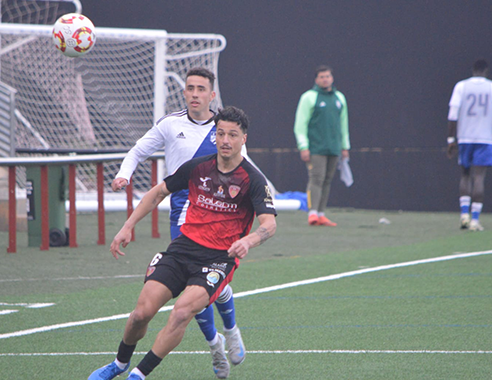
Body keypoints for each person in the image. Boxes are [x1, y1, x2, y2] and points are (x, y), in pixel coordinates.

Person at [89, 106, 277, 380]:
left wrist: (249, 240)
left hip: (218, 258)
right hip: (182, 248)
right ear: (214, 135)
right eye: (220, 133)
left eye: (232, 135)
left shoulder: (253, 180)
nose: (225, 140)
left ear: (243, 139)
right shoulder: (197, 167)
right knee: (141, 313)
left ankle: (139, 375)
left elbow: (269, 224)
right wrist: (128, 226)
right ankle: (119, 364)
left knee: (181, 312)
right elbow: (158, 193)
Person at [112, 68, 246, 378]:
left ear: (212, 95)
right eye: (190, 88)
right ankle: (215, 345)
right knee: (192, 288)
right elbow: (138, 150)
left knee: (212, 284)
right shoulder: (170, 125)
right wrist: (124, 174)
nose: (195, 93)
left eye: (202, 88)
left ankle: (231, 329)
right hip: (181, 215)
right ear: (184, 93)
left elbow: (244, 170)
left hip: (219, 217)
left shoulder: (225, 130)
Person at [446, 59, 492, 231]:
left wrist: (451, 139)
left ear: (472, 70)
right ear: (486, 71)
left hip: (465, 137)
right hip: (485, 138)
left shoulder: (461, 86)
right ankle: (475, 219)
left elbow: (453, 114)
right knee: (479, 177)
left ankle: (464, 214)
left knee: (465, 175)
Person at [293, 65, 350, 227]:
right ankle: (312, 213)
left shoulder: (339, 97)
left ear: (332, 78)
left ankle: (321, 213)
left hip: (334, 147)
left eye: (328, 76)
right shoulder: (309, 97)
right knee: (316, 179)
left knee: (327, 179)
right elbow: (300, 124)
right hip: (316, 147)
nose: (325, 79)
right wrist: (303, 146)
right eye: (322, 77)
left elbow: (343, 124)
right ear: (316, 79)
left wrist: (345, 146)